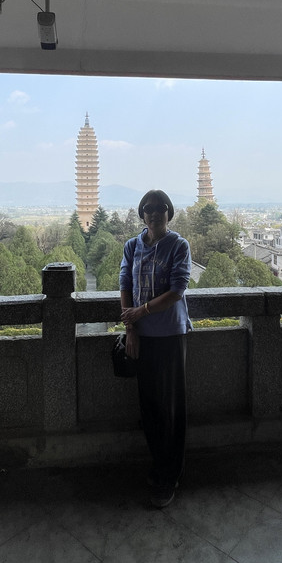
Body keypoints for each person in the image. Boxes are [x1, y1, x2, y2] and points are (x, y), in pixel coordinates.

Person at [120, 189, 192, 508]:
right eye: (147, 208)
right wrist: (131, 328)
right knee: (149, 407)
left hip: (170, 335)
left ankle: (170, 475)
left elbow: (177, 289)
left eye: (160, 207)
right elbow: (125, 284)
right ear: (141, 214)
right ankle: (159, 465)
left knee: (170, 408)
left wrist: (142, 311)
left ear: (168, 212)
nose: (153, 213)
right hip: (143, 336)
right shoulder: (132, 246)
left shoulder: (178, 245)